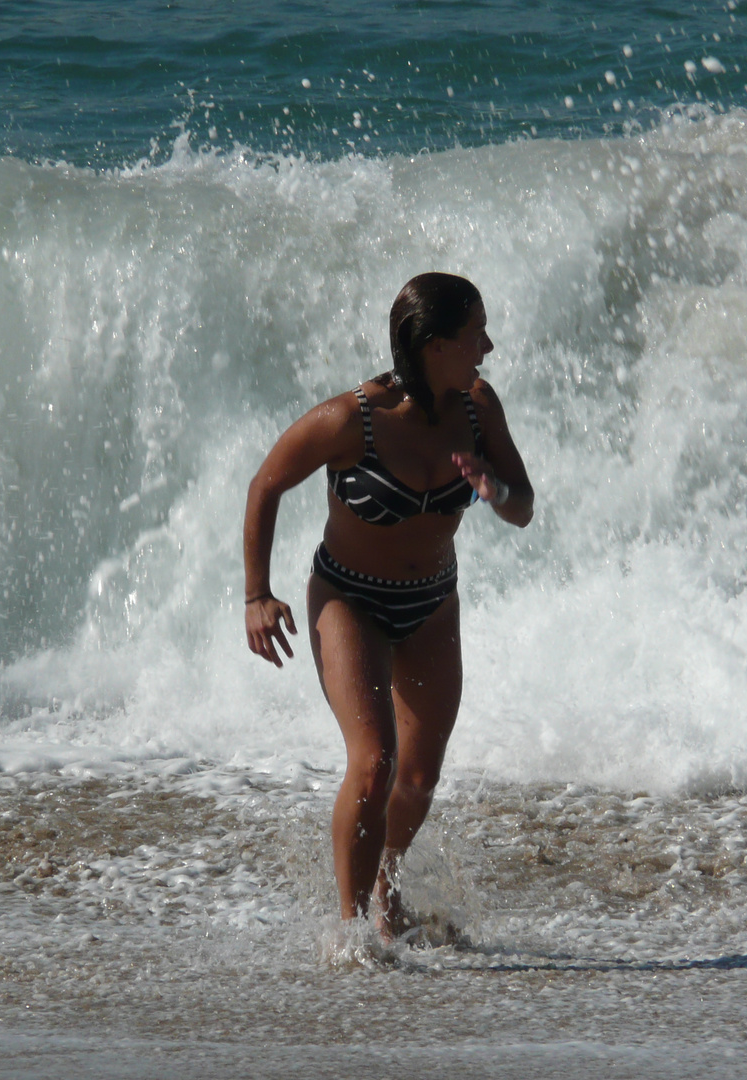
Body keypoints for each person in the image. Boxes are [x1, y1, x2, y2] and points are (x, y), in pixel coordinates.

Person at [242, 272, 534, 938]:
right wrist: (257, 594)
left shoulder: (478, 408)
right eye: (474, 334)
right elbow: (266, 484)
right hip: (349, 600)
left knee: (419, 777)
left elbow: (524, 507)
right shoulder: (353, 419)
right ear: (433, 345)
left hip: (432, 605)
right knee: (375, 764)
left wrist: (495, 490)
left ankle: (387, 885)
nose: (487, 346)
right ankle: (350, 934)